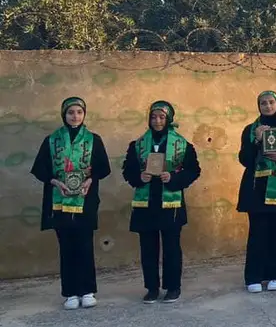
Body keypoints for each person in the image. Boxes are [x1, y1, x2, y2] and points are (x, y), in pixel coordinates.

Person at [30, 96, 112, 309]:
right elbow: (40, 169)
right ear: (64, 115)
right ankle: (70, 293)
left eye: (79, 112)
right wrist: (54, 181)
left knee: (85, 245)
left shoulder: (93, 139)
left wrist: (91, 179)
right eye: (70, 112)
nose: (75, 116)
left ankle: (87, 291)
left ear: (84, 114)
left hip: (85, 200)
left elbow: (103, 167)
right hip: (59, 202)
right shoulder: (52, 140)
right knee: (66, 247)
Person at [121, 101, 201, 304]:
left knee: (171, 247)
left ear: (169, 119)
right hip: (145, 204)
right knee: (148, 248)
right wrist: (140, 177)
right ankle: (152, 288)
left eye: (162, 117)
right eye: (154, 117)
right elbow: (128, 171)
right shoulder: (138, 145)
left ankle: (173, 287)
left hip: (170, 205)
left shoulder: (182, 144)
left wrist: (173, 178)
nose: (157, 121)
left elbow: (193, 170)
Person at [237, 91, 276, 293]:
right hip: (256, 188)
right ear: (259, 106)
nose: (268, 106)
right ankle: (254, 277)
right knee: (257, 233)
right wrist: (256, 140)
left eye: (271, 102)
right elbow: (245, 159)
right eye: (263, 103)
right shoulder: (250, 130)